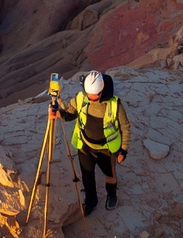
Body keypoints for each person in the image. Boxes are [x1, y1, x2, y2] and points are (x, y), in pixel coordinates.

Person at [52, 70, 130, 215]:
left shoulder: (115, 105)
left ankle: (112, 195)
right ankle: (91, 201)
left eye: (93, 96)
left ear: (101, 92)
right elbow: (71, 112)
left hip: (106, 149)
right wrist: (59, 113)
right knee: (87, 175)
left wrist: (123, 150)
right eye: (88, 95)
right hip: (85, 147)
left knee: (110, 175)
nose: (90, 98)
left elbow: (125, 127)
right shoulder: (82, 97)